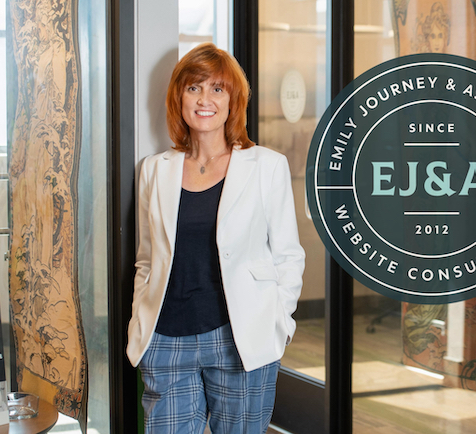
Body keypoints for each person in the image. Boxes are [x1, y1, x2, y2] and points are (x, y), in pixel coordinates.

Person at [126, 42, 305, 434]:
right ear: (180, 98)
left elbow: (288, 257)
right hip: (167, 340)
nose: (204, 99)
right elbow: (146, 258)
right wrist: (142, 322)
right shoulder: (154, 170)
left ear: (232, 101)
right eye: (194, 88)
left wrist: (279, 322)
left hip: (239, 340)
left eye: (217, 89)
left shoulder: (267, 167)